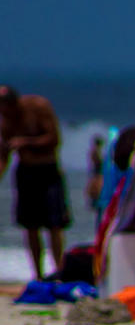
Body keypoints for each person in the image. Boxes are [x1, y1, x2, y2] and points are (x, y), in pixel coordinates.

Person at [0, 86, 70, 280]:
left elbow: (55, 139)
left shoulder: (38, 107)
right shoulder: (6, 121)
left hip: (47, 170)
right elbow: (4, 153)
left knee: (54, 224)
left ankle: (60, 271)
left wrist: (26, 142)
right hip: (25, 172)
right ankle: (37, 274)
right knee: (30, 226)